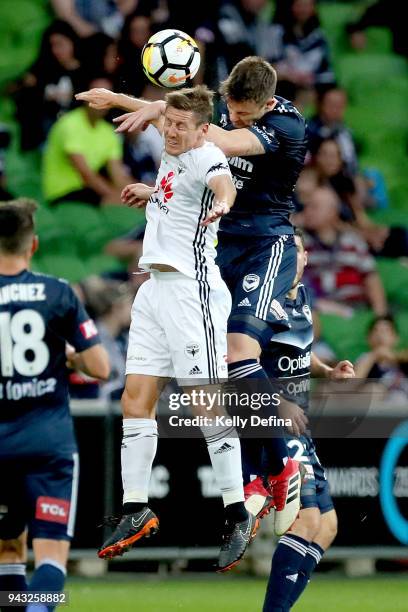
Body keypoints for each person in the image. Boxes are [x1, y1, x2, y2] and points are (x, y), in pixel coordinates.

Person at [76, 55, 308, 536]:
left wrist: (223, 196)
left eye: (246, 114)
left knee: (232, 361)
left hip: (265, 241)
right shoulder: (199, 127)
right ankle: (146, 505)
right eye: (232, 109)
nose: (236, 117)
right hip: (213, 247)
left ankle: (279, 459)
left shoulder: (283, 123)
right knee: (165, 391)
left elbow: (216, 144)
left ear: (266, 103)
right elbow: (189, 125)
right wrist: (131, 109)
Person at [93, 85, 258, 573]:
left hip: (192, 292)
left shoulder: (206, 153)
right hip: (154, 290)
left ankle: (235, 510)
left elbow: (220, 181)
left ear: (204, 129)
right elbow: (167, 113)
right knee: (134, 398)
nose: (171, 130)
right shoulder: (173, 144)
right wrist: (152, 192)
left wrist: (225, 203)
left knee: (206, 401)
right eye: (169, 123)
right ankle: (135, 507)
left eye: (182, 126)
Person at [0, 199, 110, 611]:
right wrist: (65, 355)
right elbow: (99, 366)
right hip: (48, 444)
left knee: (9, 547)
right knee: (51, 554)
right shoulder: (57, 292)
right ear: (33, 245)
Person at [243, 229, 354, 610]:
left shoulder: (304, 299)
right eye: (288, 251)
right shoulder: (261, 303)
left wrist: (326, 370)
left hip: (299, 423)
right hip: (273, 422)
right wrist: (279, 405)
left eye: (300, 250)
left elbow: (299, 356)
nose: (296, 257)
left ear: (306, 258)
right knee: (306, 521)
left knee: (327, 526)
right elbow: (242, 365)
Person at [43, 76, 130, 206]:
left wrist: (141, 192)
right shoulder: (69, 124)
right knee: (121, 202)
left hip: (87, 191)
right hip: (62, 193)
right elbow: (86, 175)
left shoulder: (109, 132)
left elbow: (118, 177)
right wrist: (117, 196)